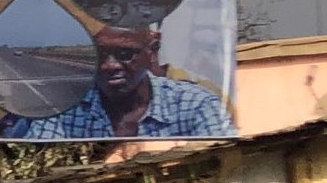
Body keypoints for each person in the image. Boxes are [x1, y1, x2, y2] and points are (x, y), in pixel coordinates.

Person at [21, 24, 233, 140]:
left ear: (151, 52)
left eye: (125, 54)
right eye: (99, 55)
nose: (109, 65)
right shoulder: (63, 110)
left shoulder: (196, 105)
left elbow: (224, 162)